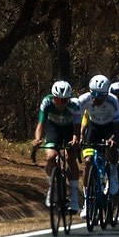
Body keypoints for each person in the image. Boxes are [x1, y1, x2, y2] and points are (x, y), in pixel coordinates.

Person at [78, 75, 119, 219]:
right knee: (88, 162)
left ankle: (114, 175)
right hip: (94, 128)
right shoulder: (83, 99)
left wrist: (113, 139)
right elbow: (74, 119)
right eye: (94, 94)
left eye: (100, 96)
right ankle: (87, 202)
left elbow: (118, 125)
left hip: (109, 127)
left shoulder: (113, 100)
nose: (96, 98)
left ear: (106, 94)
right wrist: (78, 135)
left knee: (111, 150)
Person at [33, 81, 82, 212]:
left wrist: (75, 139)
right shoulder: (47, 102)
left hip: (69, 129)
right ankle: (52, 187)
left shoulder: (75, 105)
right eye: (57, 99)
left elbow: (77, 129)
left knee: (71, 157)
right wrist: (37, 139)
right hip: (53, 129)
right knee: (50, 157)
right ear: (53, 97)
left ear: (69, 98)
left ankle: (74, 198)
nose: (60, 103)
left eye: (64, 100)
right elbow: (41, 124)